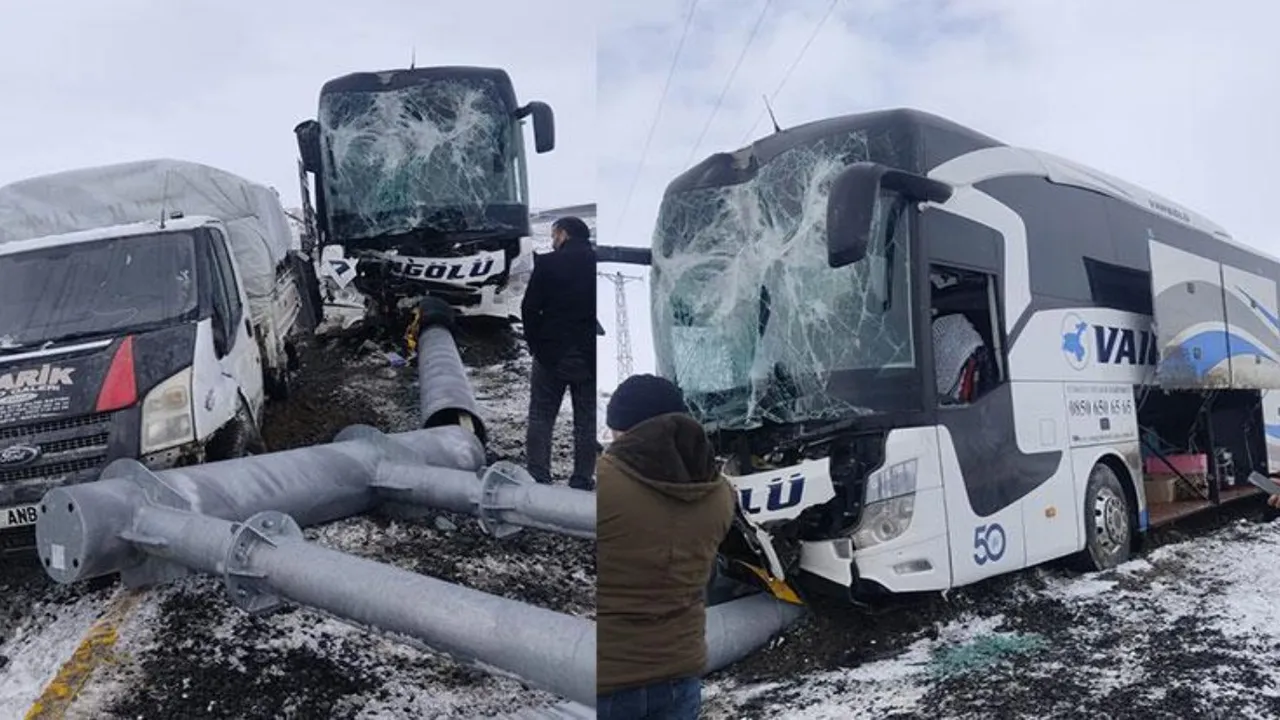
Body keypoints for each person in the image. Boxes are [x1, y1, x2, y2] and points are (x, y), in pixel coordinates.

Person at [597, 374, 736, 719]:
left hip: (611, 679)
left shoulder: (605, 481)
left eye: (615, 431)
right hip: (680, 676)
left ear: (627, 430)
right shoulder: (721, 494)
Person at [521, 216, 597, 490]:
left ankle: (538, 475)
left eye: (554, 236)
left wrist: (535, 345)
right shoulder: (596, 263)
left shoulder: (549, 263)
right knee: (586, 421)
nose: (553, 242)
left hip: (552, 353)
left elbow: (529, 308)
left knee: (541, 414)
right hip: (590, 356)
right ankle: (582, 478)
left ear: (563, 234)